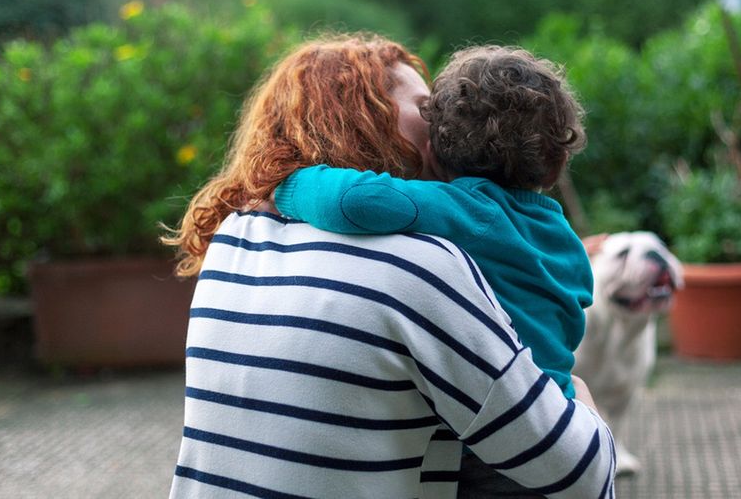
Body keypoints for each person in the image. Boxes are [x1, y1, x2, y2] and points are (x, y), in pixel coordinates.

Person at [164, 35, 615, 498]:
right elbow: (582, 471)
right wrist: (579, 395)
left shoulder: (236, 240)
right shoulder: (420, 265)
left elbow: (354, 199)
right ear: (365, 118)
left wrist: (280, 181)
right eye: (426, 108)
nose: (437, 123)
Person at [274, 46, 590, 400]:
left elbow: (350, 201)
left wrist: (283, 183)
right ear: (556, 164)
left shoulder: (465, 212)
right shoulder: (564, 238)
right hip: (559, 401)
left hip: (500, 423)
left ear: (436, 148)